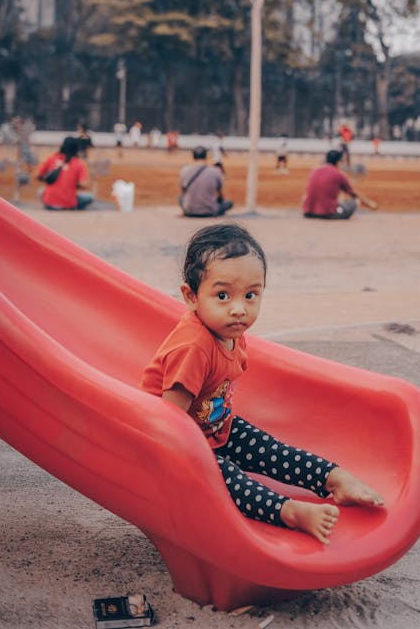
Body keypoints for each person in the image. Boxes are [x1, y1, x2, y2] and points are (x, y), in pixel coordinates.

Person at [141, 223, 383, 544]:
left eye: (251, 295)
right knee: (227, 478)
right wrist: (201, 460)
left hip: (216, 429)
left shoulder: (230, 331)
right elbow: (168, 420)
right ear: (191, 296)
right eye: (223, 295)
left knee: (270, 450)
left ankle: (333, 479)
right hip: (175, 444)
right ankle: (289, 511)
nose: (239, 308)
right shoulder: (193, 348)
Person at [303, 149, 377, 220]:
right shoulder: (339, 174)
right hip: (327, 214)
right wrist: (370, 204)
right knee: (353, 202)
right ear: (338, 162)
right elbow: (353, 194)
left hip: (308, 212)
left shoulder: (315, 171)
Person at [36, 136, 94, 211]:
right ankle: (73, 206)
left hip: (50, 202)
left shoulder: (52, 158)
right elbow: (84, 184)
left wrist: (50, 179)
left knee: (41, 191)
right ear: (76, 148)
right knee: (89, 197)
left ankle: (51, 203)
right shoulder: (78, 163)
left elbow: (38, 175)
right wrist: (71, 183)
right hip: (68, 203)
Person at [179, 146, 233, 217]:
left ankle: (185, 210)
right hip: (210, 211)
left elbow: (183, 192)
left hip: (189, 210)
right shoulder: (216, 171)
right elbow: (220, 193)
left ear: (193, 156)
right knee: (229, 203)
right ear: (206, 156)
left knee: (180, 198)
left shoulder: (184, 170)